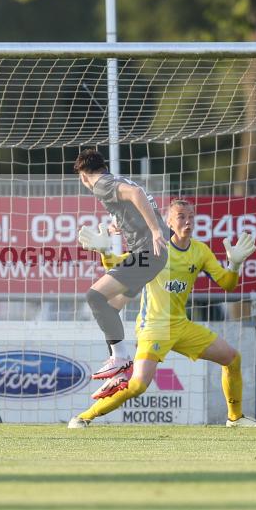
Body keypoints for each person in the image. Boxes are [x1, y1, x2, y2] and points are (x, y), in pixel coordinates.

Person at [69, 199, 256, 428]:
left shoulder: (200, 251)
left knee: (232, 358)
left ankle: (235, 418)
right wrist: (105, 250)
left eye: (191, 216)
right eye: (181, 216)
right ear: (170, 222)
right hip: (154, 326)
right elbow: (117, 266)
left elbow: (227, 284)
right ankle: (84, 417)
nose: (188, 221)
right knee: (138, 386)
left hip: (181, 325)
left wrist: (234, 265)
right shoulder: (156, 248)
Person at [74, 149, 170, 380]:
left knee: (94, 297)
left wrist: (156, 231)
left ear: (83, 175)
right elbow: (134, 201)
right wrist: (119, 225)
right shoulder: (115, 179)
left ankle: (120, 360)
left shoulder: (100, 184)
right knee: (111, 309)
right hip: (152, 254)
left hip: (148, 253)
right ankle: (119, 375)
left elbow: (136, 193)